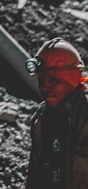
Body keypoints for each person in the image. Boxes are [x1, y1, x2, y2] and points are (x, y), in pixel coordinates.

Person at [25, 38, 88, 188]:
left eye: (53, 80)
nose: (45, 87)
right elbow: (35, 172)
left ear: (71, 79)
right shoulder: (41, 117)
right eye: (42, 81)